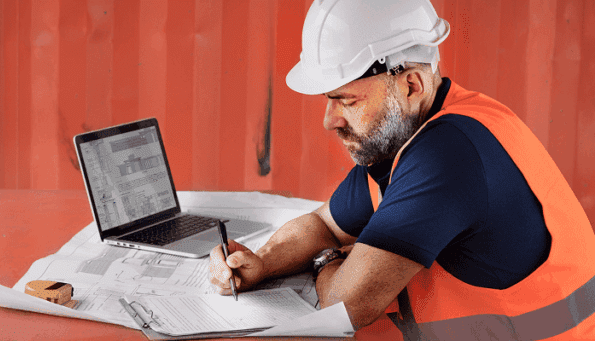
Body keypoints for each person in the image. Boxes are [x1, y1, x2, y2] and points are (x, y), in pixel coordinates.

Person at [207, 0, 595, 339]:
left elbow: (344, 306)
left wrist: (327, 262)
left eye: (347, 101)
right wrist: (262, 262)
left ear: (410, 85)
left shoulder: (447, 155)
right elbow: (324, 225)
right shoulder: (403, 138)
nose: (330, 120)